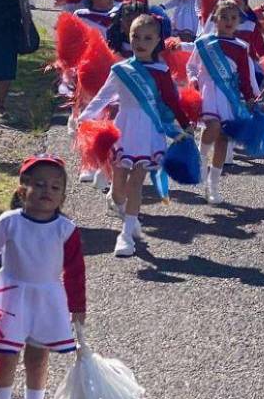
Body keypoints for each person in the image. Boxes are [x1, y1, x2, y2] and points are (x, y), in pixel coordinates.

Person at [0, 155, 85, 399]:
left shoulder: (66, 229)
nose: (47, 191)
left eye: (55, 187)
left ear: (63, 195)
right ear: (23, 188)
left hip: (46, 299)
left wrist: (77, 306)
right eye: (39, 184)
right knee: (5, 357)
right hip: (10, 297)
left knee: (37, 360)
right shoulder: (8, 222)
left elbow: (75, 271)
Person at [78, 13, 192, 256]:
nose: (141, 42)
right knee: (118, 186)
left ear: (158, 40)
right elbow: (104, 96)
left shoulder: (162, 70)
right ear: (129, 38)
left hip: (149, 132)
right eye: (136, 37)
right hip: (124, 131)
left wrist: (184, 124)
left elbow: (171, 101)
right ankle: (124, 210)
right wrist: (85, 116)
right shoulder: (120, 69)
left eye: (148, 38)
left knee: (136, 182)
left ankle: (126, 235)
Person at [187, 0, 260, 205]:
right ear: (215, 19)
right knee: (213, 125)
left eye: (233, 18)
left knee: (223, 139)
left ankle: (213, 185)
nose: (229, 21)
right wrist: (193, 81)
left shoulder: (241, 47)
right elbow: (191, 67)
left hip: (229, 96)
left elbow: (245, 76)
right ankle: (200, 161)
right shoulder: (203, 42)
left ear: (239, 22)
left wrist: (250, 97)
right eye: (224, 17)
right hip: (208, 91)